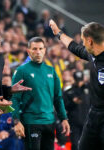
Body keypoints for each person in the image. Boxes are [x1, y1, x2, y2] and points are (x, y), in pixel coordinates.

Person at [49, 19, 104, 150]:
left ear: (90, 41)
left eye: (84, 41)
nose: (83, 44)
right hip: (94, 115)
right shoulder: (93, 55)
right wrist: (58, 33)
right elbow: (75, 47)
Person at [11, 37, 70, 150]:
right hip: (30, 122)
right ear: (28, 51)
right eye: (34, 49)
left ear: (44, 50)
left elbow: (58, 98)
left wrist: (64, 118)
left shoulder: (51, 70)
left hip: (49, 121)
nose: (38, 52)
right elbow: (15, 98)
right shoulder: (21, 71)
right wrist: (16, 121)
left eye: (40, 48)